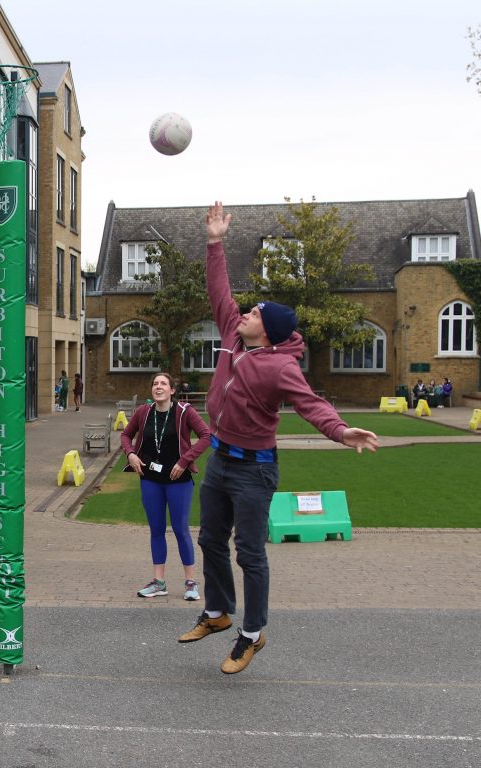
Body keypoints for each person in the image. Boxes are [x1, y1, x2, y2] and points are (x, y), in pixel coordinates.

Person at [178, 202, 378, 675]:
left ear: (269, 331)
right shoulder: (232, 332)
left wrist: (341, 430)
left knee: (249, 552)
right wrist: (214, 242)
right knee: (209, 539)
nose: (244, 312)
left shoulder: (281, 367)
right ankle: (218, 612)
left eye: (255, 313)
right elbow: (219, 289)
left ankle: (252, 632)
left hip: (254, 469)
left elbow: (311, 404)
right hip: (221, 461)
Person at [122, 372, 211, 601]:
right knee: (156, 529)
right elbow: (125, 435)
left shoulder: (184, 412)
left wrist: (184, 461)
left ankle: (190, 583)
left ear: (172, 390)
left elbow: (205, 436)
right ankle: (159, 582)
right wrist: (131, 454)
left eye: (163, 384)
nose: (158, 387)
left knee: (181, 529)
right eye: (155, 384)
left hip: (177, 481)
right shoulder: (144, 412)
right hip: (150, 479)